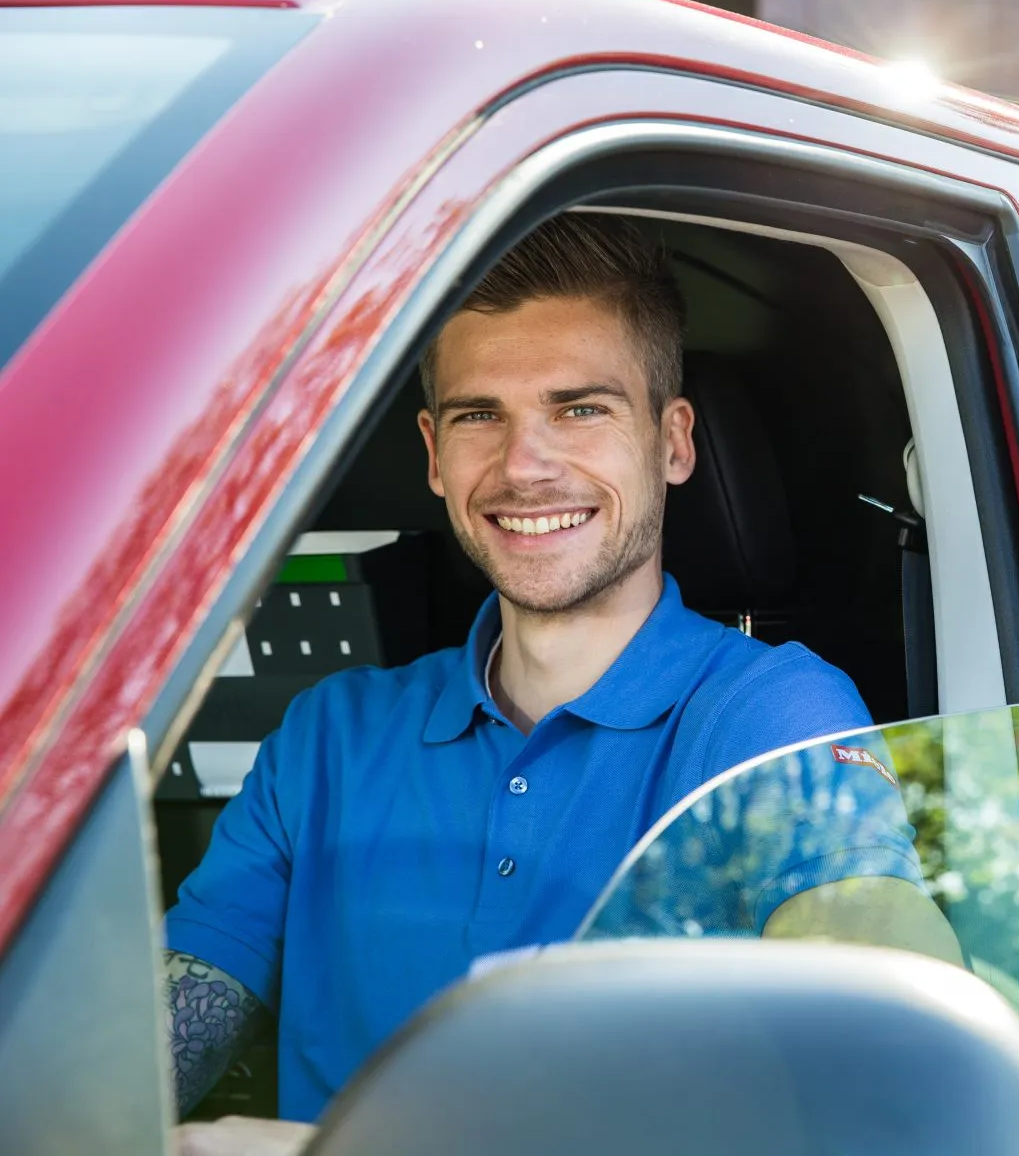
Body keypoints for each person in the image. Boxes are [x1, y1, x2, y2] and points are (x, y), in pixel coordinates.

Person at [164, 214, 959, 1155]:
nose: (524, 466)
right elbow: (166, 1032)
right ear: (431, 452)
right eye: (478, 415)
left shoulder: (767, 716)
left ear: (672, 442)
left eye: (580, 408)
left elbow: (900, 1054)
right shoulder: (326, 739)